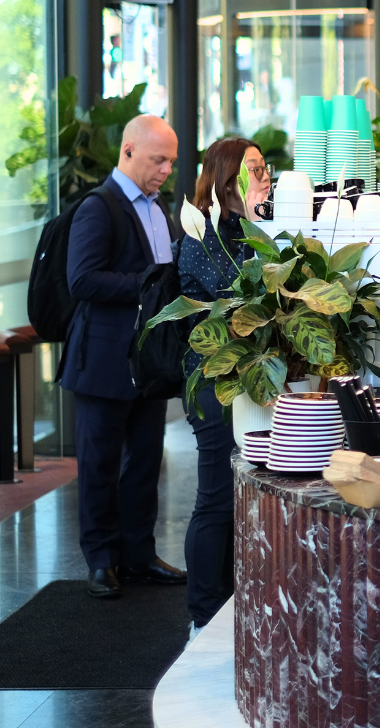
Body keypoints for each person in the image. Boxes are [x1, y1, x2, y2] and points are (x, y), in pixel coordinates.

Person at [60, 114, 186, 599]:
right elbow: (82, 280)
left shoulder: (158, 208)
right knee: (99, 465)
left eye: (171, 162)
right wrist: (147, 286)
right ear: (128, 151)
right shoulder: (100, 207)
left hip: (146, 362)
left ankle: (139, 555)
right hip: (103, 360)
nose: (165, 171)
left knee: (144, 463)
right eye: (158, 160)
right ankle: (101, 561)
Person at [179, 138, 265, 638]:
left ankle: (229, 604)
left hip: (244, 378)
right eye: (253, 169)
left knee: (238, 494)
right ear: (227, 177)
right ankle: (203, 615)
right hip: (213, 379)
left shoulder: (239, 226)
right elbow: (239, 294)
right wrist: (257, 220)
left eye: (264, 167)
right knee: (215, 497)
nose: (263, 176)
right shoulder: (203, 231)